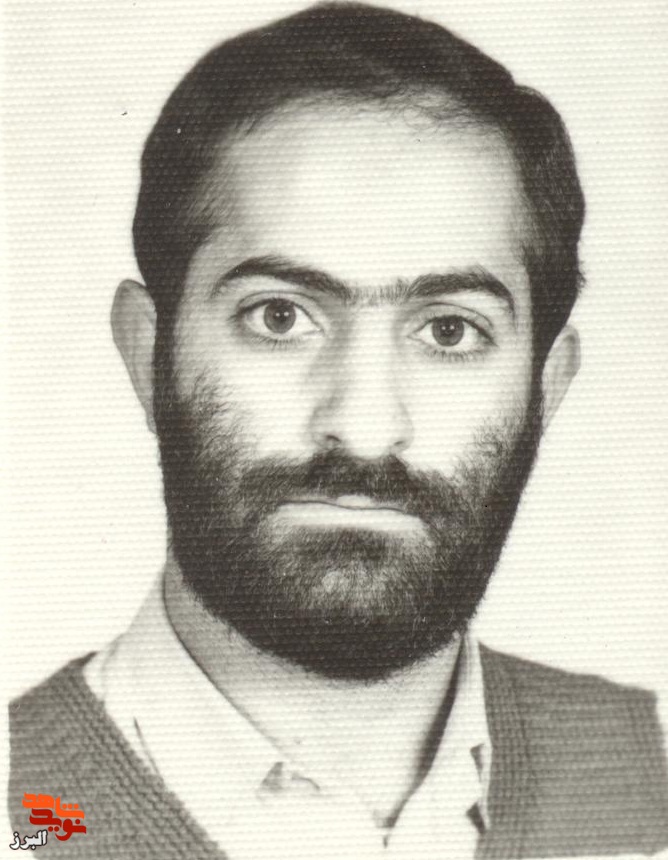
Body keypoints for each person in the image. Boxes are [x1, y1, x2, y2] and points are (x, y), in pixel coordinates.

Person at [9, 3, 668, 857]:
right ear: (147, 355)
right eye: (279, 316)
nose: (363, 428)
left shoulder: (650, 770)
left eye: (450, 330)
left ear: (546, 390)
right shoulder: (26, 811)